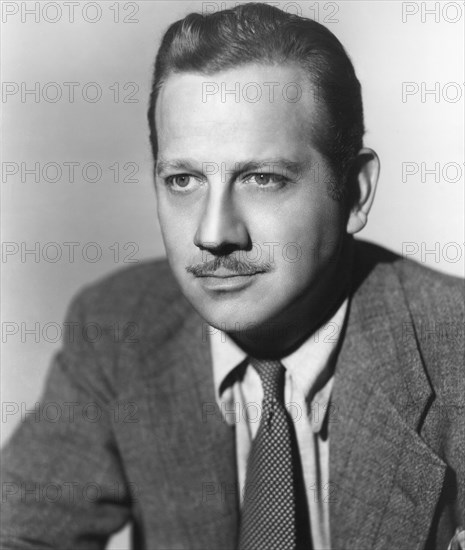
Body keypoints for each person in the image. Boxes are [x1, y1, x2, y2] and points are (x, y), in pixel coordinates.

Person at [1, 3, 464, 549]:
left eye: (262, 178)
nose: (213, 234)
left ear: (356, 192)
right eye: (183, 180)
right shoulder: (119, 326)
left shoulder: (454, 348)